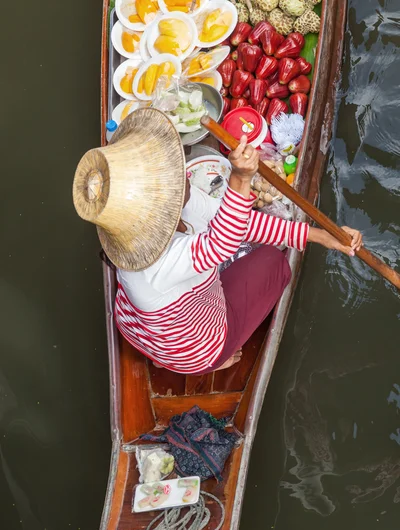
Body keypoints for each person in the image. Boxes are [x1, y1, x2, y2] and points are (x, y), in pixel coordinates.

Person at [73, 109, 363, 375]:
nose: (182, 172)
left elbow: (239, 224)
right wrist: (240, 177)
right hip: (193, 349)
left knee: (239, 238)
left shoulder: (144, 226)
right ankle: (212, 362)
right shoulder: (156, 267)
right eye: (173, 174)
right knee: (273, 261)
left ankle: (170, 354)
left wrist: (320, 235)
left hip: (138, 326)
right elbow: (223, 242)